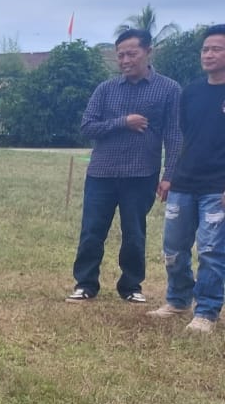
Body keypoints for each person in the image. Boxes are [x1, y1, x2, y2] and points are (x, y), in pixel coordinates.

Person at [67, 29, 183, 302]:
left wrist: (170, 175)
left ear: (148, 52)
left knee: (134, 233)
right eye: (120, 55)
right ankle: (85, 284)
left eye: (132, 53)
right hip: (101, 174)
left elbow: (175, 135)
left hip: (142, 174)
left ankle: (131, 287)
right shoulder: (105, 89)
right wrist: (123, 122)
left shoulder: (169, 89)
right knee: (92, 231)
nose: (125, 60)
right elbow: (87, 126)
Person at [147, 24, 225, 332]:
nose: (208, 54)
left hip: (216, 187)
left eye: (216, 49)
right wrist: (170, 175)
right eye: (205, 49)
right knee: (174, 248)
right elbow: (182, 138)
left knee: (211, 251)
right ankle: (177, 300)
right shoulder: (191, 92)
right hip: (183, 183)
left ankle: (206, 311)